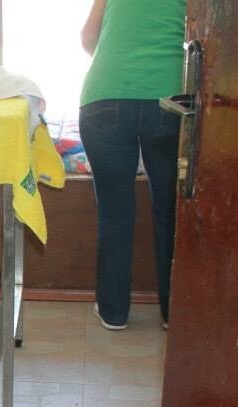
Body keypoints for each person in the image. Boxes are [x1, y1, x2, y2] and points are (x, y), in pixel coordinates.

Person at [79, 0, 186, 330]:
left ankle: (113, 312)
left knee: (114, 210)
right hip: (168, 100)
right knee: (170, 209)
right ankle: (173, 313)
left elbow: (89, 38)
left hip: (105, 94)